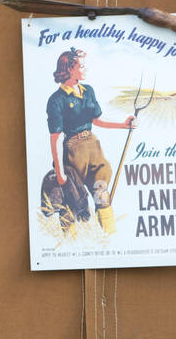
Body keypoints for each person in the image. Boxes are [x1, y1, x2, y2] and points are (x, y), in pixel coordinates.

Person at [46, 48, 136, 234]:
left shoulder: (88, 91)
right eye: (82, 66)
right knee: (73, 201)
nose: (86, 69)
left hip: (93, 148)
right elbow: (56, 137)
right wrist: (59, 171)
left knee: (101, 194)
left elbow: (96, 120)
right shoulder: (56, 100)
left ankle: (109, 238)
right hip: (72, 152)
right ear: (70, 69)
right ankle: (70, 245)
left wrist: (124, 125)